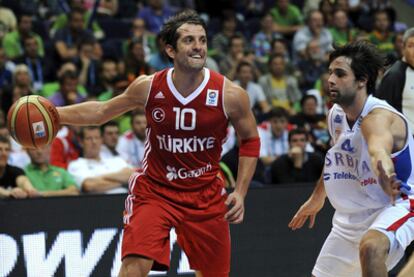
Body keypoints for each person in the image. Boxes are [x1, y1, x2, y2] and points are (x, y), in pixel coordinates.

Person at [55, 10, 259, 276]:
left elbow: (251, 140)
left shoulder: (230, 94)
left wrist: (241, 192)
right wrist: (55, 114)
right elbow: (101, 111)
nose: (198, 46)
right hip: (156, 191)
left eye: (203, 40)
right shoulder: (149, 87)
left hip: (205, 194)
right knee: (133, 267)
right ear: (170, 50)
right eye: (189, 40)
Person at [289, 41, 414, 277]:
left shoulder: (379, 117)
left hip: (395, 203)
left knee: (371, 247)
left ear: (362, 80)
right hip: (351, 216)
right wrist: (317, 197)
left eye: (340, 74)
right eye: (330, 73)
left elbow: (379, 152)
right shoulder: (336, 115)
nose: (331, 80)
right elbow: (336, 159)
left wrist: (386, 175)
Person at [68, 126, 133, 194]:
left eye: (97, 138)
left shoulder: (116, 160)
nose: (94, 142)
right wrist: (124, 183)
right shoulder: (76, 165)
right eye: (89, 138)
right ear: (81, 142)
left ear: (101, 140)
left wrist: (99, 177)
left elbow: (134, 174)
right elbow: (90, 186)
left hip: (127, 200)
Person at [375, 27, 414, 132]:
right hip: (406, 141)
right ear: (403, 48)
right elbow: (382, 113)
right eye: (411, 46)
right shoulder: (395, 75)